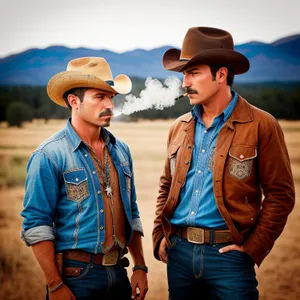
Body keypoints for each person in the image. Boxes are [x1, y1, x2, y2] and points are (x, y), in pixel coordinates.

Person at [152, 26, 295, 300]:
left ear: (221, 75)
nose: (184, 83)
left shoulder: (262, 125)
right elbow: (166, 186)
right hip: (179, 255)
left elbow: (281, 195)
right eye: (184, 74)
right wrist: (160, 234)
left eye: (193, 73)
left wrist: (253, 248)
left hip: (229, 258)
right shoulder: (178, 127)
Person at [21, 57, 148, 300]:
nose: (109, 104)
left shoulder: (122, 151)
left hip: (118, 273)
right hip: (76, 278)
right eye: (100, 97)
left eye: (111, 97)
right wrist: (55, 285)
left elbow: (132, 212)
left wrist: (140, 266)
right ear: (74, 101)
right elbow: (36, 224)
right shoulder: (49, 155)